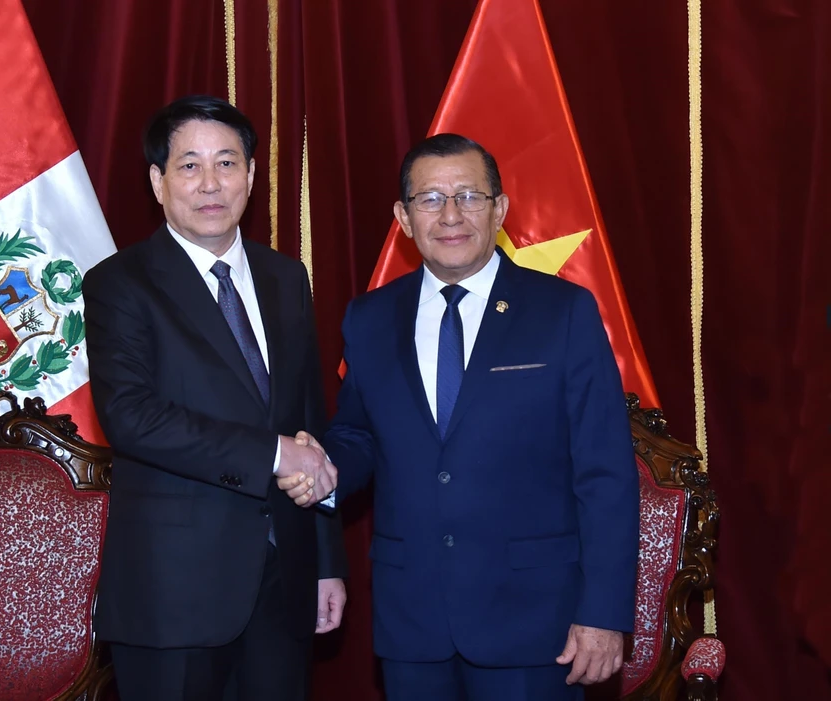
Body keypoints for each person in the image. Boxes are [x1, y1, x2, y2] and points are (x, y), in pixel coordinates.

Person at [282, 133, 638, 701]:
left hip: (535, 620)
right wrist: (322, 468)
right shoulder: (370, 317)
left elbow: (606, 473)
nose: (450, 215)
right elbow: (358, 434)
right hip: (413, 618)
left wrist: (603, 612)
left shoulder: (562, 312)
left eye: (470, 196)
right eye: (429, 200)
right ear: (403, 217)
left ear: (499, 210)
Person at [83, 94, 347, 701]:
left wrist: (327, 559)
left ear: (251, 176)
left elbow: (310, 423)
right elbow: (132, 418)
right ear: (157, 180)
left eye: (227, 163)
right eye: (188, 165)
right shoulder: (119, 284)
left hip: (285, 583)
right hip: (174, 590)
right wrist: (274, 456)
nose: (210, 183)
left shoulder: (286, 278)